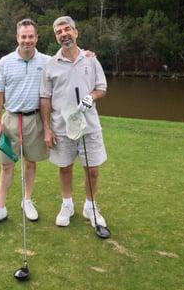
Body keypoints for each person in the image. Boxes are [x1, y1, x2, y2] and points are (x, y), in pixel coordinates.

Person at [40, 16, 109, 231]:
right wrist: (47, 129)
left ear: (76, 32)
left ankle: (90, 206)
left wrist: (92, 97)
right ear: (56, 37)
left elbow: (102, 88)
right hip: (62, 126)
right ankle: (67, 205)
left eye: (67, 29)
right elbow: (44, 98)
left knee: (93, 170)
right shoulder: (50, 64)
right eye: (59, 32)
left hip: (88, 125)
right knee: (64, 168)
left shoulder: (90, 60)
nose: (64, 34)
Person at [0, 19, 49, 230]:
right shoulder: (5, 62)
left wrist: (87, 54)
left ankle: (26, 200)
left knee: (30, 163)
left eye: (31, 36)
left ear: (36, 38)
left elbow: (69, 59)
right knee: (6, 165)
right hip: (10, 119)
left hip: (35, 119)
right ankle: (0, 208)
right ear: (17, 37)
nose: (27, 40)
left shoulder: (47, 61)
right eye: (23, 36)